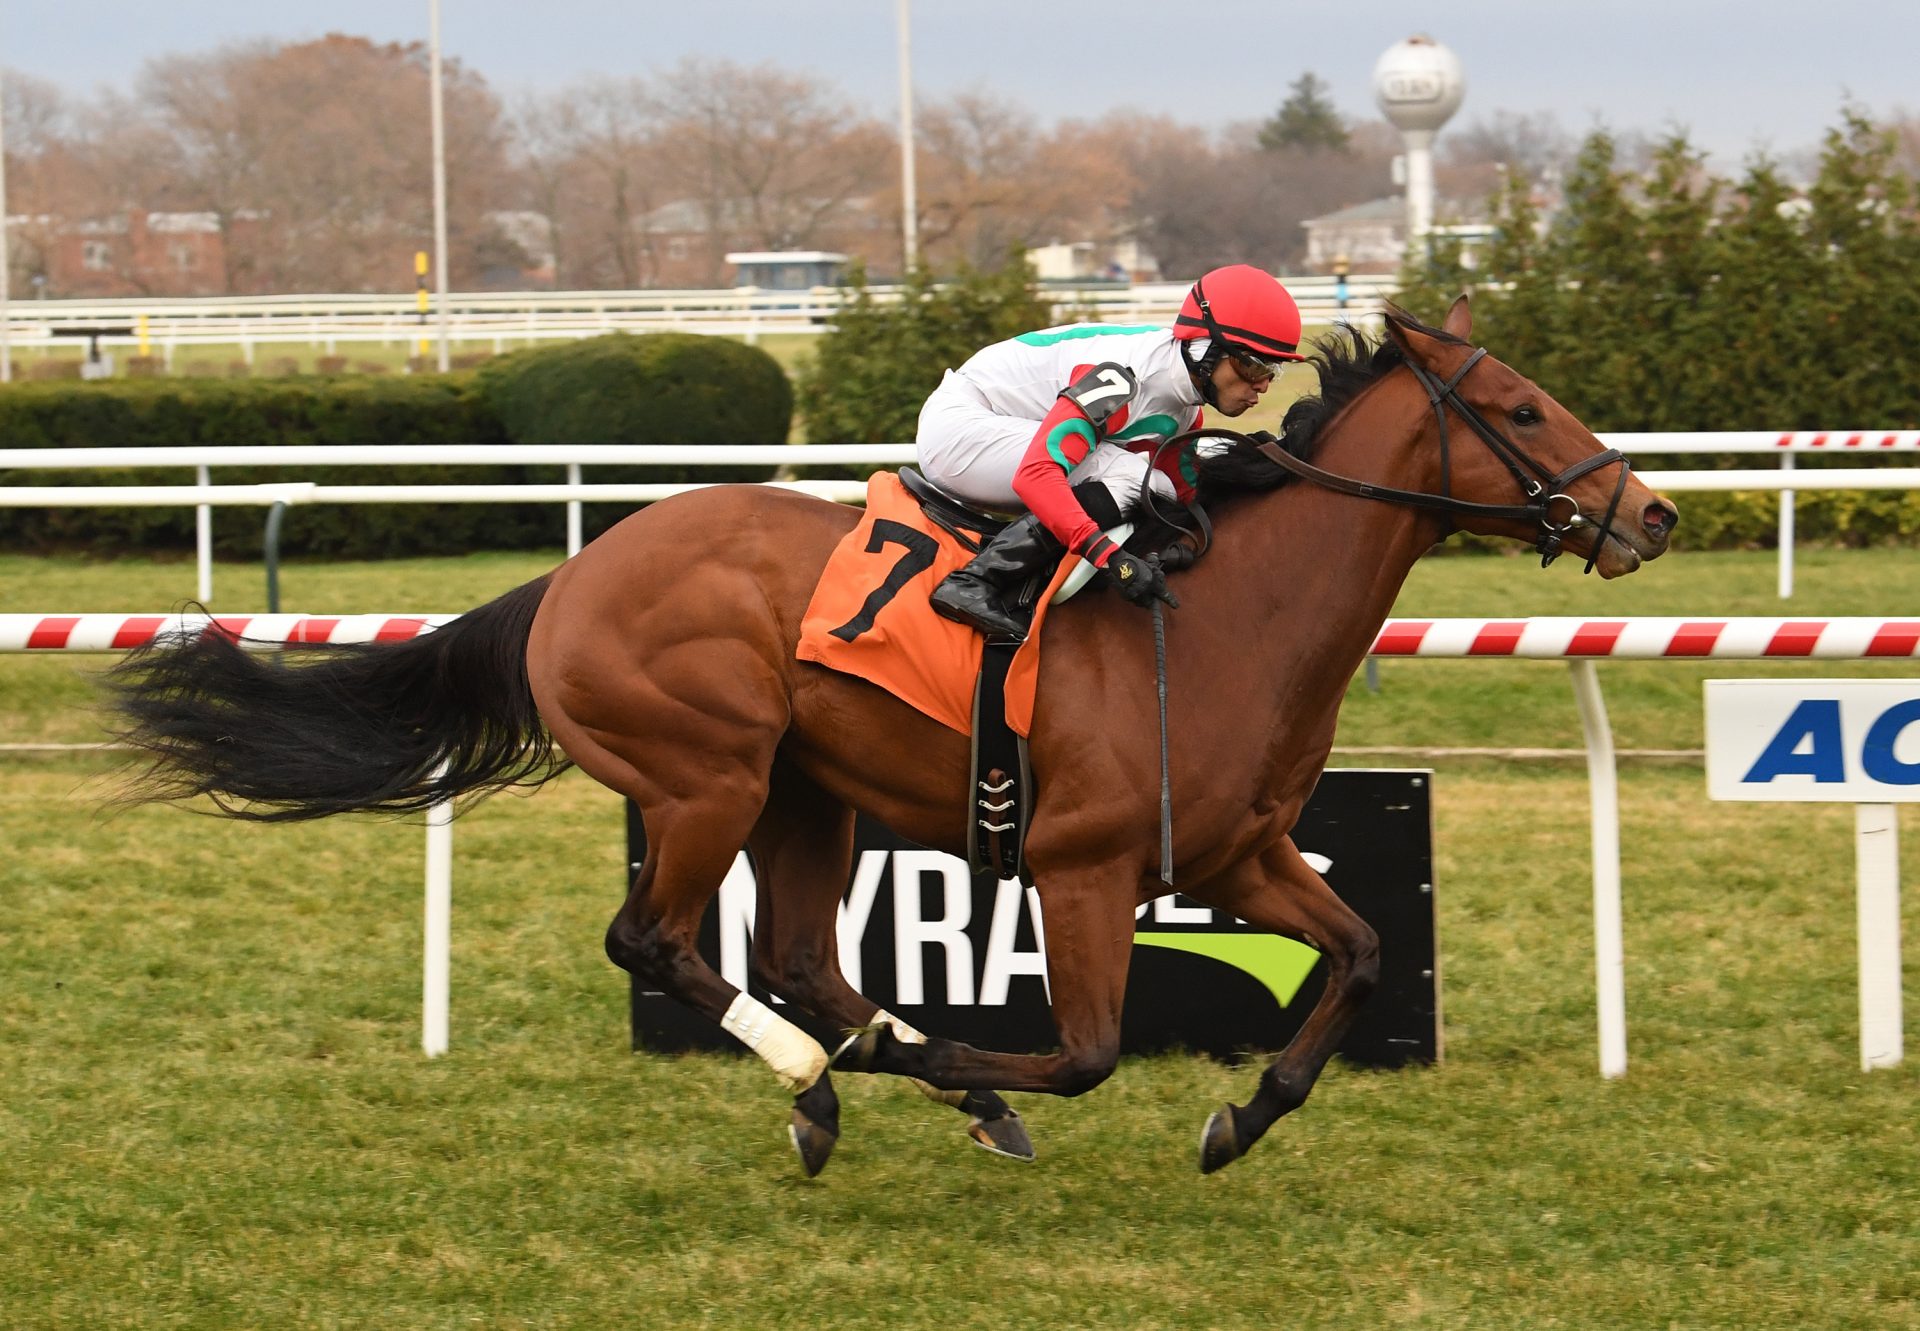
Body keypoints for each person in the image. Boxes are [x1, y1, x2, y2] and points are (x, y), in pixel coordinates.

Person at [916, 264, 1306, 638]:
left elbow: (1184, 497)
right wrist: (1110, 559)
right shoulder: (1123, 377)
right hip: (960, 430)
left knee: (1159, 488)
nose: (1263, 386)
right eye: (1254, 367)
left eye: (1273, 372)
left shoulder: (1185, 407)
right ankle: (976, 580)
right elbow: (1036, 475)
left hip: (1002, 430)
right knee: (1135, 478)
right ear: (1205, 351)